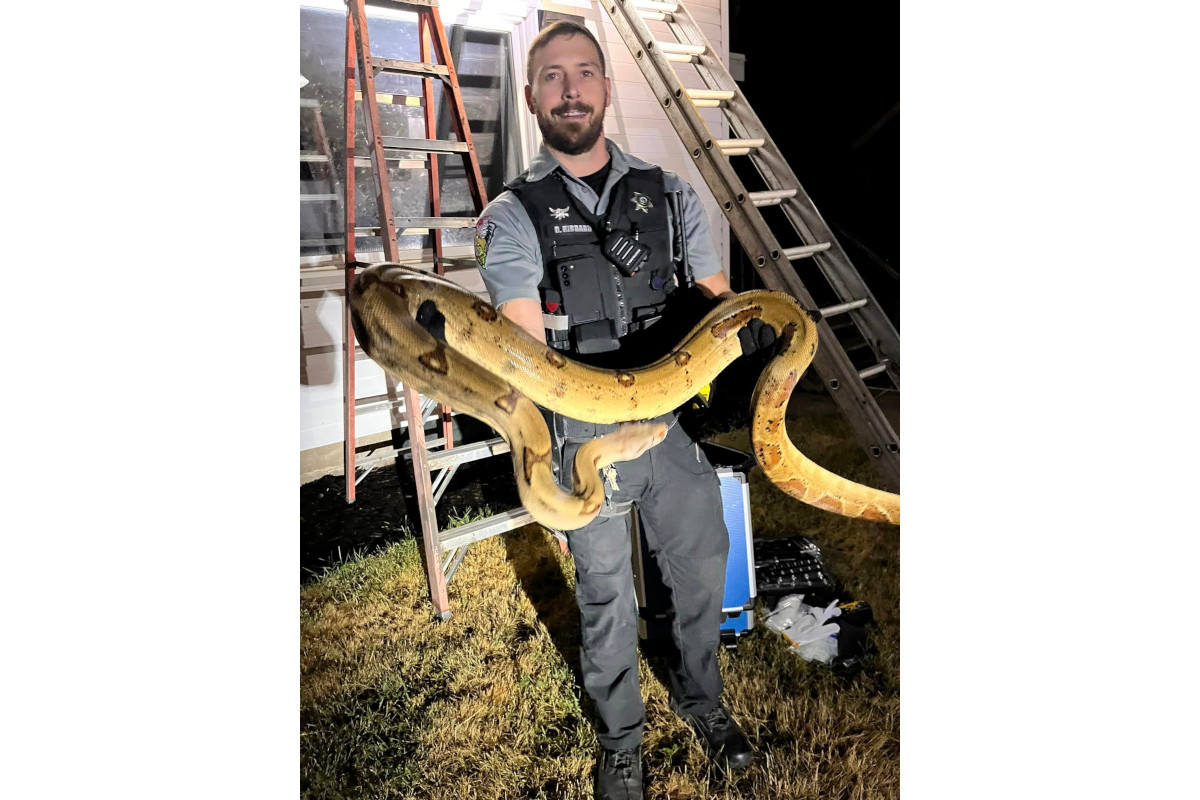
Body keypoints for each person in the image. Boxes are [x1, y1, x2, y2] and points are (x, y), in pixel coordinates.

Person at [472, 21, 773, 800]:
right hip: (581, 431)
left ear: (606, 87)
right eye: (551, 77)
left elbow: (715, 306)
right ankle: (622, 745)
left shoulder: (670, 193)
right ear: (534, 97)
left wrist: (751, 332)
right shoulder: (512, 213)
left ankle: (703, 701)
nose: (569, 89)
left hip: (666, 419)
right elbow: (521, 343)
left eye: (584, 73)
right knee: (607, 594)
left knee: (702, 560)